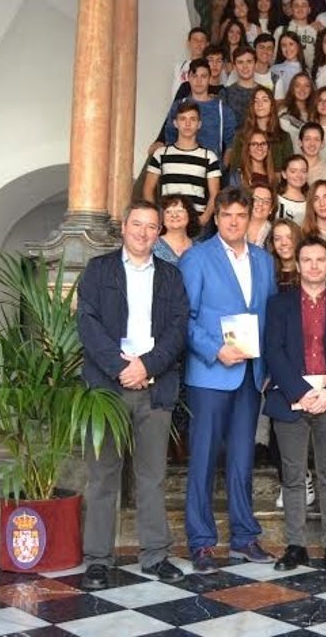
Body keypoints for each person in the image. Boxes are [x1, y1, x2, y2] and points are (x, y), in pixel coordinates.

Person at [76, 201, 190, 590]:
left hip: (155, 388)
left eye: (151, 226)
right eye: (137, 224)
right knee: (103, 476)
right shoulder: (98, 269)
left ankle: (155, 555)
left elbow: (178, 329)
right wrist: (120, 367)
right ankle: (98, 560)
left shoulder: (171, 276)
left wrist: (147, 366)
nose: (143, 232)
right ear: (123, 227)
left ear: (159, 233)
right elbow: (87, 322)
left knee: (152, 476)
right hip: (108, 389)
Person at [180, 188, 278, 573]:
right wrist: (214, 349)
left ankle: (244, 537)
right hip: (210, 373)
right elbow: (184, 318)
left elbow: (269, 316)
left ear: (250, 217)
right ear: (217, 218)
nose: (234, 221)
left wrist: (268, 368)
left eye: (241, 215)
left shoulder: (263, 260)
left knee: (242, 459)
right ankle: (201, 542)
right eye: (227, 215)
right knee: (203, 458)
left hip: (251, 375)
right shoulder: (197, 258)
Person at [264, 236, 326, 573]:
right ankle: (296, 546)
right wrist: (300, 392)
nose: (314, 265)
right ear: (297, 264)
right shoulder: (279, 304)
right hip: (292, 399)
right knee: (292, 476)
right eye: (307, 259)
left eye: (320, 259)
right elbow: (274, 350)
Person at [144, 103, 222, 227]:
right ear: (175, 123)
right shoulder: (161, 154)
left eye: (192, 119)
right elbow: (148, 189)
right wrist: (156, 216)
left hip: (195, 222)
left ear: (199, 124)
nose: (187, 124)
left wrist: (204, 218)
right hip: (167, 221)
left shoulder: (209, 156)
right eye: (183, 119)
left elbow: (215, 194)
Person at [154, 194, 199, 266]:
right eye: (168, 212)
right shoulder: (152, 246)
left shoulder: (199, 248)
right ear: (162, 218)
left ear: (190, 215)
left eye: (180, 211)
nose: (174, 215)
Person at [270, 218, 301, 291]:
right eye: (277, 239)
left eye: (289, 237)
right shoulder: (269, 273)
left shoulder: (308, 272)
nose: (284, 243)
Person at [277, 154, 309, 223]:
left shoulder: (310, 201)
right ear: (284, 174)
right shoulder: (276, 200)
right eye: (293, 171)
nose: (299, 175)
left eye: (303, 171)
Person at [247, 183, 275, 248]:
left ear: (271, 208)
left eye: (266, 201)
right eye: (256, 199)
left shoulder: (274, 233)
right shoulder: (236, 226)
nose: (260, 204)